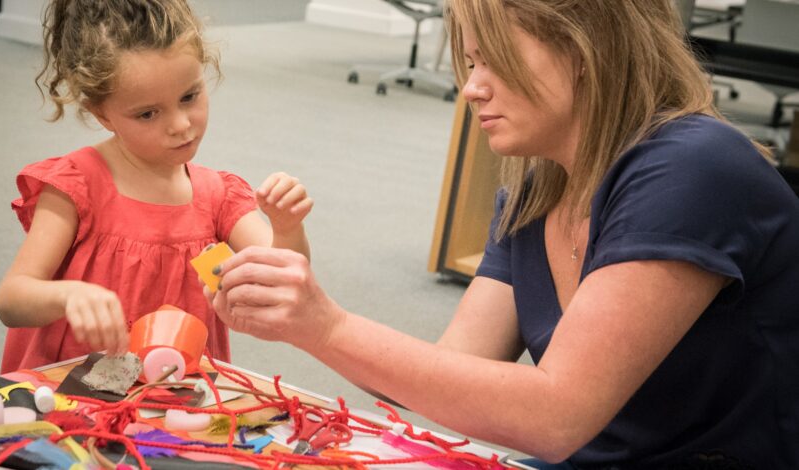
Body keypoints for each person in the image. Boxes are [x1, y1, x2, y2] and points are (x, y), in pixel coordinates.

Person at [204, 1, 799, 468]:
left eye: (495, 60)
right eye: (470, 63)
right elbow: (449, 373)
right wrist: (300, 320)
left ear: (585, 48)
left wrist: (325, 326)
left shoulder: (694, 168)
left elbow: (554, 416)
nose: (471, 88)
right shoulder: (535, 193)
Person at [0, 0, 313, 374]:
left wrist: (288, 227)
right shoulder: (76, 185)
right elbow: (10, 300)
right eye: (148, 113)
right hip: (73, 391)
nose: (180, 125)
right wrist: (67, 295)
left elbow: (285, 278)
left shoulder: (217, 195)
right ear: (102, 114)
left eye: (189, 97)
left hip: (176, 397)